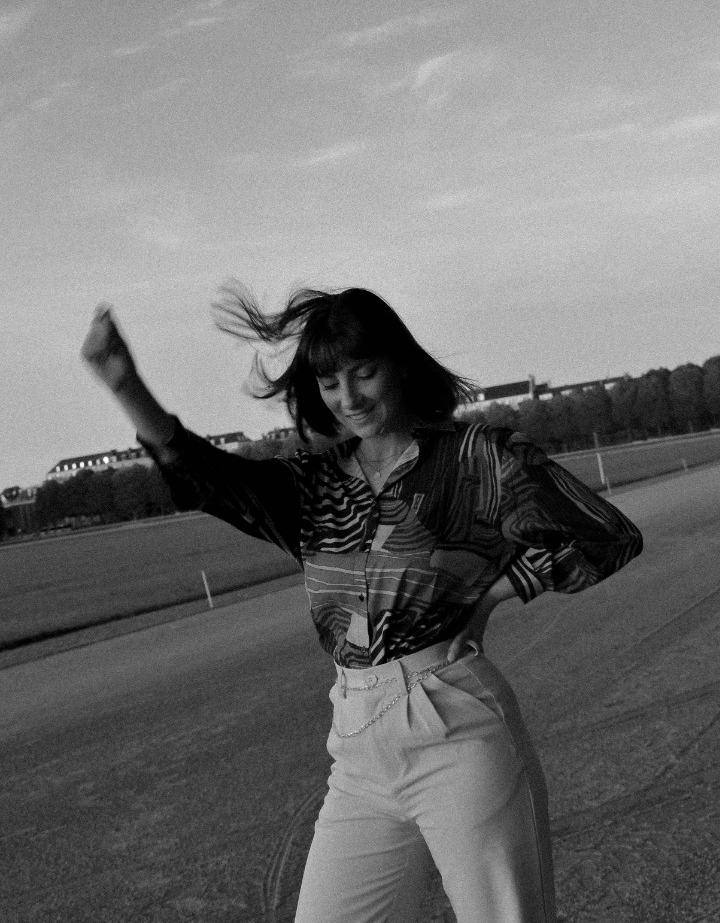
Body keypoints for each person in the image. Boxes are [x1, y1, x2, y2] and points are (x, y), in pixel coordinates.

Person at [81, 285, 643, 923]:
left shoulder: (478, 458)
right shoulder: (314, 488)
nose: (349, 397)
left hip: (454, 729)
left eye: (364, 372)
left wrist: (493, 595)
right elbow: (207, 476)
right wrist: (125, 385)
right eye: (330, 383)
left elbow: (606, 536)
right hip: (356, 749)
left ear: (400, 364)